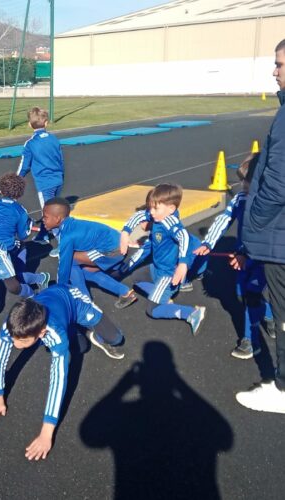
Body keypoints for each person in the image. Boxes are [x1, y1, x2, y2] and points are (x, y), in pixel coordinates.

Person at [0, 285, 126, 461]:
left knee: (116, 338)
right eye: (14, 338)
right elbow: (0, 357)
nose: (15, 344)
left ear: (42, 332)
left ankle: (86, 328)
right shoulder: (12, 324)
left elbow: (58, 380)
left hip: (74, 301)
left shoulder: (56, 334)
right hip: (51, 303)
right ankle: (75, 329)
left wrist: (46, 433)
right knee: (80, 347)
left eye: (23, 340)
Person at [237, 39, 285, 412]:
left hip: (279, 234)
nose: (274, 71)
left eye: (280, 64)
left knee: (282, 313)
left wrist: (253, 221)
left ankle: (281, 389)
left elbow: (278, 180)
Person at [194, 155, 271, 359]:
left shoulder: (270, 204)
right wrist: (208, 242)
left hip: (262, 258)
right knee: (241, 293)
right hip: (243, 257)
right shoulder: (240, 199)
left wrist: (247, 252)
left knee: (251, 295)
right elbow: (224, 220)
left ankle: (250, 340)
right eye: (242, 180)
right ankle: (269, 314)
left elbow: (265, 234)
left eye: (247, 181)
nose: (242, 185)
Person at [120, 184, 206, 336]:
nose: (151, 212)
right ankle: (162, 297)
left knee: (152, 310)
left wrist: (182, 264)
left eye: (155, 208)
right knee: (136, 278)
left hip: (168, 274)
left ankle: (191, 313)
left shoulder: (169, 222)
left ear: (171, 209)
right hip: (156, 268)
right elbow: (139, 215)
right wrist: (125, 232)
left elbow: (183, 237)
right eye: (150, 208)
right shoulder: (158, 217)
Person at [41, 197, 137, 308]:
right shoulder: (73, 224)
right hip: (116, 243)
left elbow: (64, 268)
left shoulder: (67, 236)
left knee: (70, 263)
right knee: (86, 272)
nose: (42, 220)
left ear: (58, 219)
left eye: (45, 217)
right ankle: (125, 292)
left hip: (112, 250)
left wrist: (59, 291)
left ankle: (85, 302)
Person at [0, 172, 50, 290]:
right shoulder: (20, 211)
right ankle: (39, 278)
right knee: (20, 251)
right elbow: (23, 235)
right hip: (5, 247)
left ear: (0, 191)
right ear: (20, 194)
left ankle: (1, 272)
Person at [17, 106, 64, 246]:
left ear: (29, 124)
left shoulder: (30, 143)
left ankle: (64, 244)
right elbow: (60, 159)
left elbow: (24, 165)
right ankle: (43, 234)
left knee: (49, 213)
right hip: (58, 180)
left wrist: (15, 180)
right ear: (46, 123)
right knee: (50, 210)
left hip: (45, 184)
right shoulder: (54, 139)